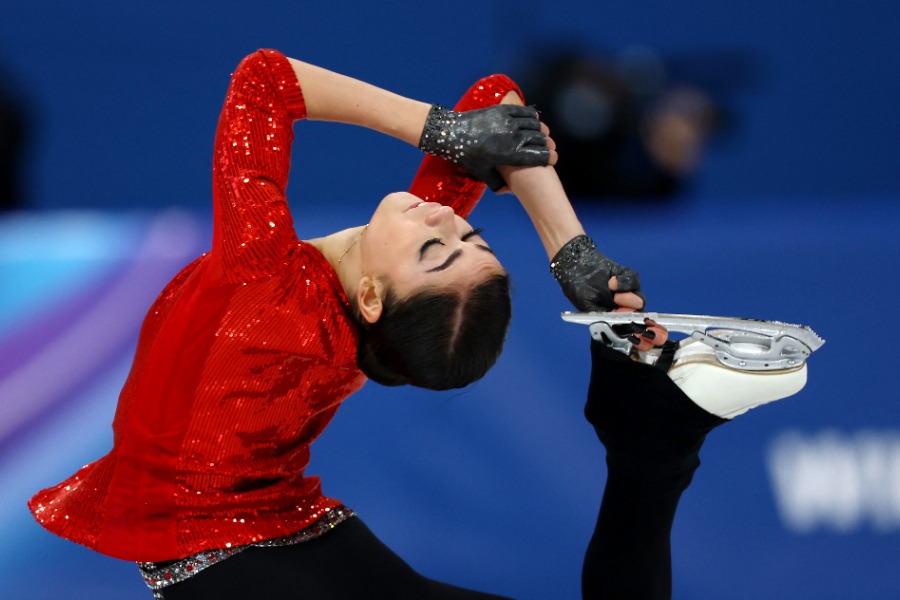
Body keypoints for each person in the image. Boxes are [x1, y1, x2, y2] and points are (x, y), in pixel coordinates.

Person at [28, 48, 789, 600]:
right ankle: (650, 452)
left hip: (241, 563)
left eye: (441, 244)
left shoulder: (264, 275)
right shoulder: (383, 299)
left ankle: (650, 450)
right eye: (467, 239)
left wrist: (443, 133)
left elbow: (264, 80)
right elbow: (499, 108)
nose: (444, 218)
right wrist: (573, 254)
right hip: (289, 541)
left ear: (372, 297)